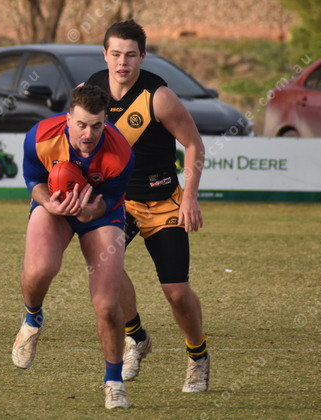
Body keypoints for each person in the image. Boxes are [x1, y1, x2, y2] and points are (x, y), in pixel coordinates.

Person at [85, 19, 210, 392]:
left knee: (176, 293)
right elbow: (78, 139)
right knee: (105, 268)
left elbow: (194, 145)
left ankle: (198, 356)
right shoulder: (91, 91)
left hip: (163, 203)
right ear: (104, 55)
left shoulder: (159, 96)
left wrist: (190, 198)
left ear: (142, 56)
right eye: (115, 54)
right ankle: (136, 337)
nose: (122, 62)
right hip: (118, 202)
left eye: (130, 55)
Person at [11, 85, 135, 409]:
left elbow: (112, 197)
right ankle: (32, 319)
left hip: (100, 213)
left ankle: (114, 382)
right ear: (68, 119)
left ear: (105, 121)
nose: (88, 134)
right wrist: (48, 203)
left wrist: (93, 210)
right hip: (55, 203)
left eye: (96, 126)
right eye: (81, 125)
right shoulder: (40, 136)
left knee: (106, 303)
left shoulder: (120, 152)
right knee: (39, 269)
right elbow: (32, 179)